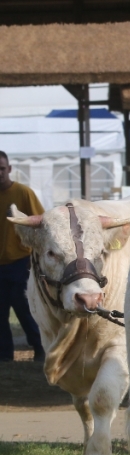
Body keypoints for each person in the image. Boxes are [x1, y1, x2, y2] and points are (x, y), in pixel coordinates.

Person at [0, 150, 45, 362]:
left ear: (9, 169)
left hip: (20, 263)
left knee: (24, 309)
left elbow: (41, 224)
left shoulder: (24, 193)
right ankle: (5, 357)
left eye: (2, 168)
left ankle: (40, 349)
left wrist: (35, 256)